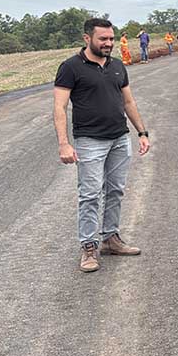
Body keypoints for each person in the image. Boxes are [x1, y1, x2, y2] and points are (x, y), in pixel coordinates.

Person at [53, 18, 151, 273]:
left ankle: (110, 238)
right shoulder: (70, 68)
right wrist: (64, 144)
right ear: (87, 39)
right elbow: (59, 107)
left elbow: (128, 102)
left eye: (111, 39)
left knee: (116, 190)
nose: (109, 43)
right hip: (89, 141)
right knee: (90, 195)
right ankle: (88, 246)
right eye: (103, 39)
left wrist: (142, 132)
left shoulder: (118, 66)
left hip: (119, 138)